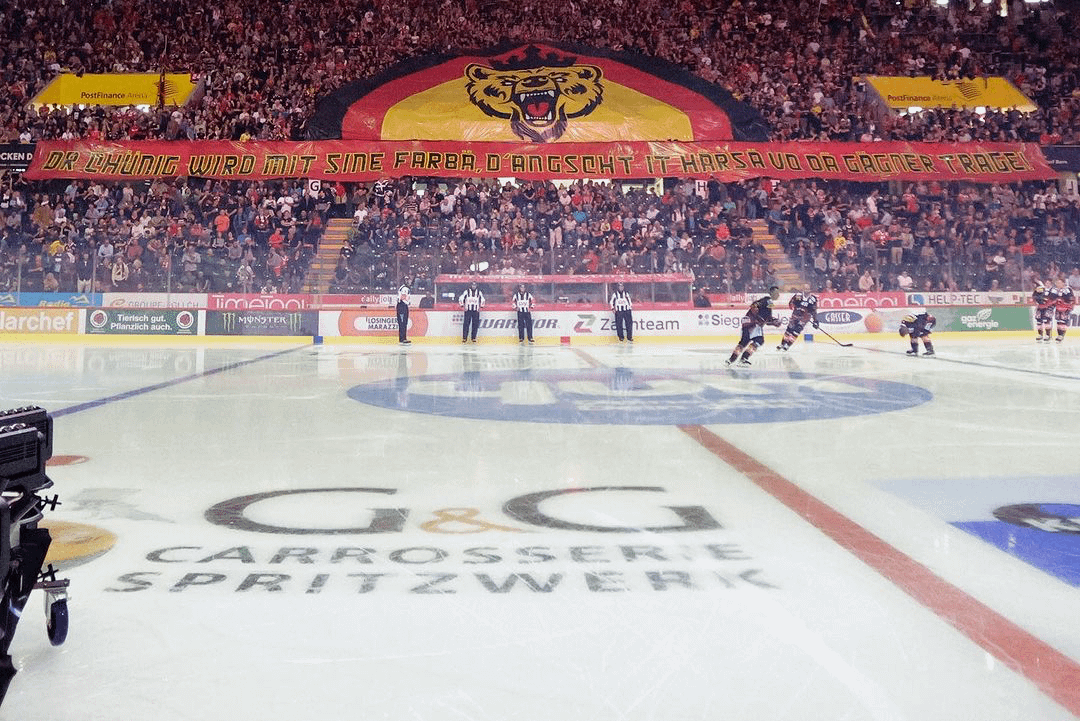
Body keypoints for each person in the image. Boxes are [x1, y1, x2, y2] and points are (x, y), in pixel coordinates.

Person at [726, 286, 781, 367]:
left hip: (749, 323)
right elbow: (754, 306)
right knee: (759, 341)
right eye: (776, 293)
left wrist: (773, 322)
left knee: (744, 342)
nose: (778, 295)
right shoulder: (768, 301)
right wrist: (757, 317)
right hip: (753, 324)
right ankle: (744, 358)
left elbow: (766, 319)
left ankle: (731, 360)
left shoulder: (768, 302)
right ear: (771, 293)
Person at [1049, 277, 1075, 343]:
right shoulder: (1053, 289)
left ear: (1063, 283)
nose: (1058, 284)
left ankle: (1061, 335)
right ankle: (1059, 335)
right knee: (1058, 321)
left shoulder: (1068, 289)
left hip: (1066, 307)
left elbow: (1070, 297)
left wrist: (1070, 304)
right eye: (1057, 283)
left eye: (1060, 283)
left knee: (1063, 320)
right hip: (1058, 307)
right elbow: (1051, 297)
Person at [396, 277, 412, 344]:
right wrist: (408, 303)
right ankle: (402, 338)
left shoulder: (403, 287)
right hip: (402, 306)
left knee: (404, 322)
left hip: (402, 306)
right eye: (409, 281)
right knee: (402, 322)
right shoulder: (405, 288)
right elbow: (403, 297)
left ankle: (403, 338)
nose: (410, 282)